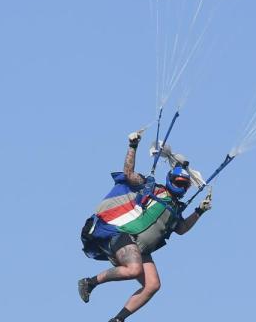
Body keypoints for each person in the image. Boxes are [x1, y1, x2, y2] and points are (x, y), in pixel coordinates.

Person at [78, 129, 213, 322]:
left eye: (184, 184)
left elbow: (181, 230)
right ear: (170, 180)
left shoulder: (176, 210)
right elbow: (128, 173)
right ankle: (89, 282)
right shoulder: (152, 188)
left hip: (140, 249)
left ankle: (118, 319)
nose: (181, 186)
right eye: (179, 182)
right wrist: (133, 145)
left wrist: (199, 211)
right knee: (134, 270)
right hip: (123, 236)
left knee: (153, 285)